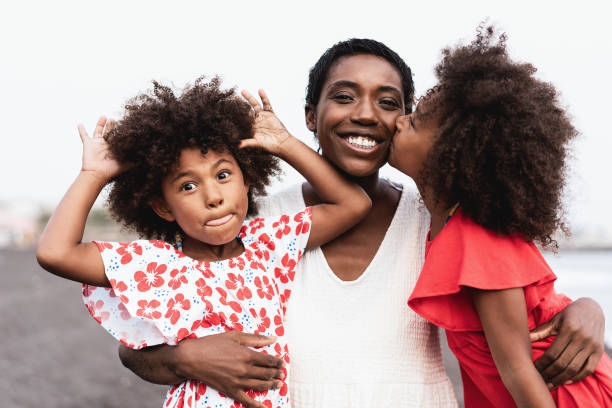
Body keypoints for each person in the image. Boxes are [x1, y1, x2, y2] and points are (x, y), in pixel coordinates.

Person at [118, 39, 607, 408]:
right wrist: (187, 358)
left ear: (405, 122)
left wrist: (588, 310)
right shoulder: (247, 221)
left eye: (390, 103)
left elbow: (524, 300)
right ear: (311, 115)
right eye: (345, 97)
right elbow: (136, 345)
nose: (368, 115)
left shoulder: (441, 220)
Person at [36, 78, 371, 408]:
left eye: (223, 175)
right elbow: (55, 253)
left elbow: (353, 204)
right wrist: (93, 175)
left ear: (246, 180)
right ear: (163, 207)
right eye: (187, 187)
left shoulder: (270, 244)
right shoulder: (154, 265)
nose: (213, 197)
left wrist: (284, 143)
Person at [386, 26, 612, 407]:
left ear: (451, 153)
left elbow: (518, 371)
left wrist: (590, 307)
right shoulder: (444, 229)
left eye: (416, 120)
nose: (398, 121)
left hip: (563, 395)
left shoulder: (475, 237)